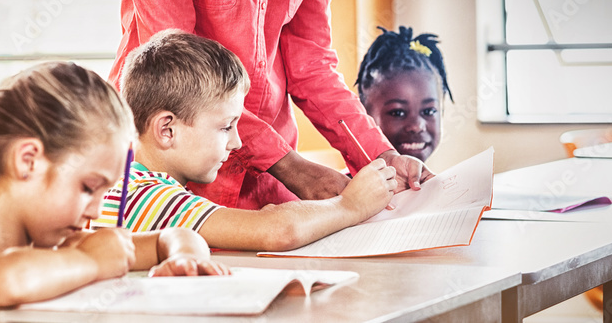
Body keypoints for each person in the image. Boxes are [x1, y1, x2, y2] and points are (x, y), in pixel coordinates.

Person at [0, 62, 230, 306]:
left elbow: (173, 237)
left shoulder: (58, 246)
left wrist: (184, 258)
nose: (98, 209)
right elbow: (7, 279)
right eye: (88, 187)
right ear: (28, 160)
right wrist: (92, 262)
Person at [109, 0, 436, 210]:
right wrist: (293, 167)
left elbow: (313, 68)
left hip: (267, 170)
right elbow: (177, 69)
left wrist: (380, 155)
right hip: (187, 155)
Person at [94, 31, 396, 251]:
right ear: (167, 130)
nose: (237, 143)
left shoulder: (122, 180)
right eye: (226, 127)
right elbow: (278, 230)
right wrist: (351, 205)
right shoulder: (146, 195)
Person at [357, 26, 453, 162]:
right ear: (363, 114)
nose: (416, 126)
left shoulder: (436, 182)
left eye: (429, 111)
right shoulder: (351, 183)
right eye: (398, 113)